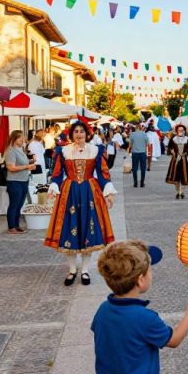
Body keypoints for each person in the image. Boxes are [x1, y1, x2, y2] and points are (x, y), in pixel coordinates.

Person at [93, 240, 188, 374]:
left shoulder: (103, 310)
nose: (151, 273)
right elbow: (173, 340)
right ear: (140, 280)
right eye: (149, 270)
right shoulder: (145, 318)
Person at [45, 121, 116, 286]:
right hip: (69, 193)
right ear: (71, 134)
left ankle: (84, 270)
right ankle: (71, 270)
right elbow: (56, 174)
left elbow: (103, 174)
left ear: (87, 133)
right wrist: (54, 186)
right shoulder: (63, 151)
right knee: (69, 230)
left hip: (90, 193)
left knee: (88, 230)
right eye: (76, 131)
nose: (78, 134)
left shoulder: (96, 151)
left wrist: (109, 192)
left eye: (81, 131)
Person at [4, 130, 35, 235]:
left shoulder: (20, 149)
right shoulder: (10, 151)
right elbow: (11, 167)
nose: (23, 140)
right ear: (14, 139)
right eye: (20, 138)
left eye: (23, 137)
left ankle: (16, 225)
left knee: (19, 204)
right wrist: (27, 166)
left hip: (23, 180)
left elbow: (22, 163)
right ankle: (11, 227)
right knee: (14, 204)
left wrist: (31, 161)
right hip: (14, 181)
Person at [166, 125, 188, 199]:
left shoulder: (187, 139)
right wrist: (172, 151)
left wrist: (186, 153)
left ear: (184, 131)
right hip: (175, 160)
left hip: (184, 160)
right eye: (179, 130)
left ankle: (182, 192)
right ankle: (178, 192)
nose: (181, 131)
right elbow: (169, 147)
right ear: (177, 131)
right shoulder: (173, 139)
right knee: (176, 177)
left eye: (182, 130)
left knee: (184, 177)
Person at [129, 124, 149, 188]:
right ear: (141, 128)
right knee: (143, 168)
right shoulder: (144, 134)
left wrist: (129, 149)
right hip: (143, 153)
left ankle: (135, 183)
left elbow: (130, 144)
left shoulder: (132, 134)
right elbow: (147, 143)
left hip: (135, 153)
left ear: (135, 128)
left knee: (135, 168)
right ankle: (142, 183)